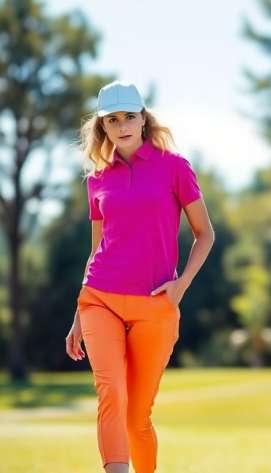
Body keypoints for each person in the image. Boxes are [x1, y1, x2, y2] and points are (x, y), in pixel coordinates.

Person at [64, 80, 215, 473]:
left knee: (137, 418)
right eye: (112, 120)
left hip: (156, 306)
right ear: (103, 127)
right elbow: (96, 249)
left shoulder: (175, 168)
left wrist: (180, 286)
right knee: (111, 392)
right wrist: (79, 314)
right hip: (100, 298)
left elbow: (206, 234)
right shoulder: (98, 178)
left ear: (143, 118)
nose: (122, 126)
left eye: (129, 116)